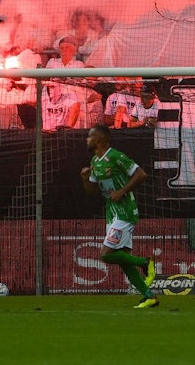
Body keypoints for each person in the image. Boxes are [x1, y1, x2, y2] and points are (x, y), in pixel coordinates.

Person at [79, 125, 158, 308]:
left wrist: (122, 191)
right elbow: (91, 192)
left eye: (90, 137)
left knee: (106, 255)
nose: (87, 139)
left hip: (125, 211)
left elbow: (141, 174)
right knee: (123, 261)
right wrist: (84, 178)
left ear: (99, 140)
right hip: (112, 214)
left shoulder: (115, 156)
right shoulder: (95, 161)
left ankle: (145, 261)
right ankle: (149, 296)